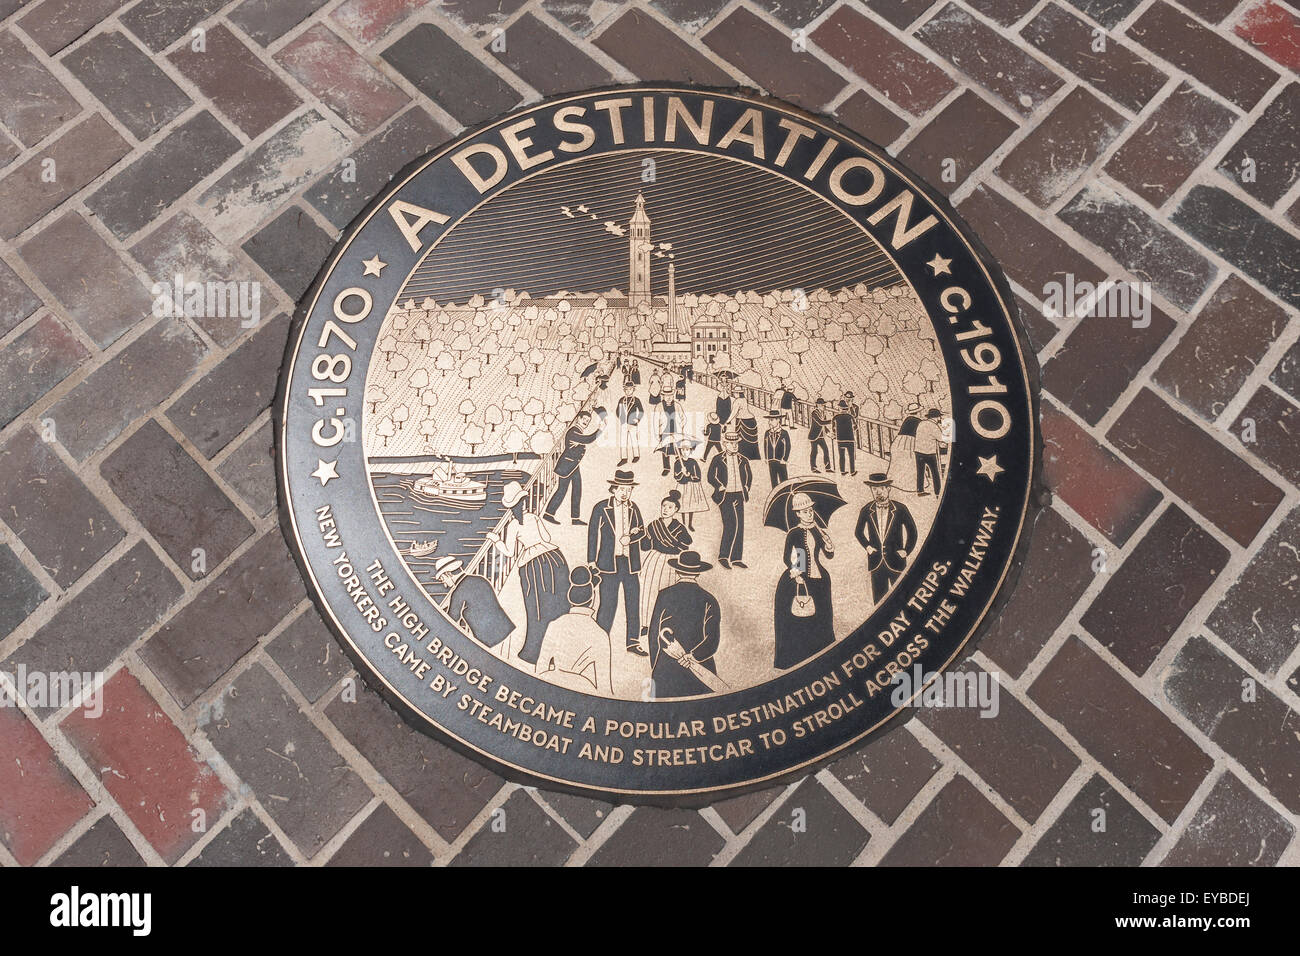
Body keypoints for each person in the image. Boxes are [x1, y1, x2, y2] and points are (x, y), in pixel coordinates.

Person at [486, 481, 569, 665]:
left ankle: (534, 653)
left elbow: (508, 552)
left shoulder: (513, 525)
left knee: (537, 609)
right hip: (554, 558)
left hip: (533, 566)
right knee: (560, 602)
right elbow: (547, 538)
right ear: (523, 502)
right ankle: (561, 652)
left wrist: (495, 540)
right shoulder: (533, 517)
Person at [647, 551, 722, 699]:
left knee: (661, 712)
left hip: (667, 667)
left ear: (677, 570)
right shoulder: (709, 599)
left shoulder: (664, 595)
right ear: (698, 573)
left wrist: (655, 665)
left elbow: (653, 633)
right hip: (701, 669)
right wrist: (692, 657)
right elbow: (712, 640)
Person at [587, 469, 646, 654]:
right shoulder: (601, 507)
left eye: (628, 490)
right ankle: (600, 642)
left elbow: (642, 531)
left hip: (630, 563)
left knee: (633, 602)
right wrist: (591, 560)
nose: (625, 493)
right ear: (613, 489)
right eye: (621, 489)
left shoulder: (634, 508)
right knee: (607, 604)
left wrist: (632, 538)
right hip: (607, 564)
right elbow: (592, 535)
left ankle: (633, 642)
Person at [773, 492, 835, 669]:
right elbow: (788, 557)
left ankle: (822, 656)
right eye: (804, 511)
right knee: (799, 619)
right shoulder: (794, 533)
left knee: (821, 617)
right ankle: (796, 658)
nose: (809, 513)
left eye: (810, 510)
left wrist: (828, 543)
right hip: (798, 579)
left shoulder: (818, 530)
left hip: (820, 579)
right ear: (797, 514)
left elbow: (829, 555)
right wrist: (797, 573)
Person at [534, 566, 613, 694]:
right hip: (579, 689)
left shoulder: (555, 624)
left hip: (550, 683)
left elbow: (541, 667)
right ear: (592, 600)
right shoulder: (600, 634)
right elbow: (605, 688)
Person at [637, 490, 693, 646]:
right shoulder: (654, 525)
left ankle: (668, 624)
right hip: (654, 560)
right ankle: (646, 624)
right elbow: (645, 547)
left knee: (668, 591)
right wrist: (643, 536)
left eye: (670, 507)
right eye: (664, 506)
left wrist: (671, 546)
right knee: (648, 591)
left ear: (676, 510)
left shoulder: (680, 528)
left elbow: (685, 545)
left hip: (671, 562)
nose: (665, 509)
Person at [854, 473, 918, 603]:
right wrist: (868, 547)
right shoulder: (866, 510)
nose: (878, 492)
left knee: (901, 599)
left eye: (881, 488)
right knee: (879, 601)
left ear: (888, 488)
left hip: (897, 562)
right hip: (876, 564)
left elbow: (912, 531)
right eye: (874, 489)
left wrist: (906, 551)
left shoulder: (900, 508)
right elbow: (858, 532)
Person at [435, 556, 514, 649]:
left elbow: (450, 619)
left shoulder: (458, 592)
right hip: (507, 629)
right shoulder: (480, 579)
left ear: (448, 574)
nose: (444, 584)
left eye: (442, 579)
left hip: (490, 642)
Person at [545, 407, 606, 525]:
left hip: (573, 465)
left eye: (588, 421)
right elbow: (588, 439)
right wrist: (600, 429)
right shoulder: (573, 431)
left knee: (577, 489)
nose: (586, 422)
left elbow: (584, 441)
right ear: (578, 419)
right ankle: (549, 514)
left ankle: (575, 518)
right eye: (584, 419)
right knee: (562, 490)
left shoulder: (578, 431)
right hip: (567, 466)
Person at [706, 434, 752, 569]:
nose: (735, 446)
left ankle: (736, 558)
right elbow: (710, 476)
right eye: (732, 444)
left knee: (740, 525)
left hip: (739, 495)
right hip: (725, 495)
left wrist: (746, 487)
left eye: (736, 443)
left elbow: (749, 475)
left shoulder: (743, 459)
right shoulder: (718, 459)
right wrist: (719, 486)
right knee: (730, 524)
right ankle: (723, 556)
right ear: (725, 444)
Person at [672, 441, 709, 531]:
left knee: (691, 504)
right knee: (683, 504)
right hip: (682, 485)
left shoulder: (693, 462)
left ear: (690, 451)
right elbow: (676, 476)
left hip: (691, 486)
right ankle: (684, 523)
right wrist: (681, 472)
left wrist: (690, 475)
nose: (685, 452)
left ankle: (690, 524)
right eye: (683, 450)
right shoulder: (677, 462)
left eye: (687, 450)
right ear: (680, 451)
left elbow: (698, 475)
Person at [887, 404, 923, 489]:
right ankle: (909, 485)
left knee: (898, 462)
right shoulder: (919, 421)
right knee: (911, 462)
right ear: (917, 412)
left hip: (899, 442)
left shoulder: (907, 419)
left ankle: (895, 482)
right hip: (909, 443)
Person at [648, 382, 681, 475]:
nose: (669, 397)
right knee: (665, 450)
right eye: (666, 395)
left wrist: (680, 426)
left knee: (677, 449)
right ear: (663, 396)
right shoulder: (659, 406)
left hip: (676, 430)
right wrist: (656, 433)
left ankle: (679, 467)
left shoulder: (677, 405)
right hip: (664, 431)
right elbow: (655, 421)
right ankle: (666, 468)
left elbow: (683, 418)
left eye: (670, 395)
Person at [915, 408, 944, 495]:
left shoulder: (921, 423)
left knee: (920, 471)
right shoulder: (933, 426)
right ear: (937, 417)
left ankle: (920, 490)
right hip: (929, 452)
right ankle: (938, 492)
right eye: (939, 417)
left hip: (918, 451)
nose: (940, 419)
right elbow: (941, 438)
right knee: (935, 472)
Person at [616, 382, 644, 466]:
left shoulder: (636, 400)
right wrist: (621, 418)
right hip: (624, 423)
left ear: (633, 389)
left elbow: (641, 411)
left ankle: (636, 455)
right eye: (626, 389)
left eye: (630, 389)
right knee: (623, 440)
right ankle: (624, 458)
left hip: (632, 423)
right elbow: (617, 410)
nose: (628, 391)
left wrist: (637, 419)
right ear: (624, 390)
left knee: (634, 440)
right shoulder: (621, 399)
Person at [763, 409, 791, 486]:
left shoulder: (784, 433)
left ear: (778, 420)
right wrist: (766, 457)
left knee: (784, 481)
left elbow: (788, 446)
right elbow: (765, 445)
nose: (769, 422)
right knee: (774, 481)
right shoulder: (767, 433)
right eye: (769, 420)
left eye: (771, 420)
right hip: (771, 460)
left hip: (781, 461)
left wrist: (785, 459)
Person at [808, 399, 833, 472]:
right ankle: (813, 468)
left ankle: (827, 467)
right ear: (818, 405)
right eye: (822, 405)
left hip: (821, 436)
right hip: (814, 436)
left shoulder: (823, 413)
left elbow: (823, 426)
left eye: (824, 405)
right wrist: (831, 421)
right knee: (814, 451)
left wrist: (829, 433)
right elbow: (821, 423)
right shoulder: (814, 413)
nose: (824, 406)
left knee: (826, 450)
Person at [834, 399, 857, 476]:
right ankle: (852, 471)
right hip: (850, 439)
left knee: (841, 456)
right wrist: (850, 431)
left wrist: (835, 434)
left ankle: (842, 471)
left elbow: (833, 428)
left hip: (840, 439)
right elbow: (856, 427)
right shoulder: (850, 416)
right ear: (846, 409)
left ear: (839, 408)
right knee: (851, 456)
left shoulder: (835, 417)